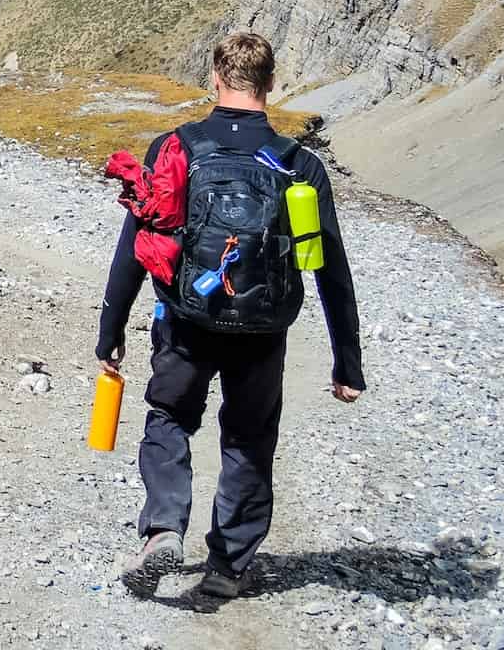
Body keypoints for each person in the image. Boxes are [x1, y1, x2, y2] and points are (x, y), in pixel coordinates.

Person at [95, 30, 365, 603]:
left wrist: (111, 328)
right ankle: (228, 566)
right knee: (248, 437)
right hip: (263, 332)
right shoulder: (300, 165)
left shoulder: (178, 148)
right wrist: (348, 363)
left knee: (169, 416)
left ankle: (164, 529)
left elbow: (137, 242)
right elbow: (331, 271)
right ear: (272, 84)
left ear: (214, 78)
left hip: (187, 319)